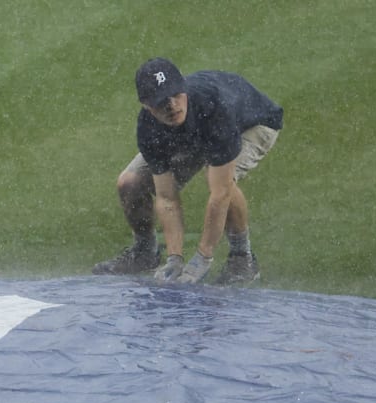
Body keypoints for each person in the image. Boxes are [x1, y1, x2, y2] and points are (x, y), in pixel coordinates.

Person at [93, 57, 283, 285]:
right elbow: (166, 197)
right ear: (146, 105)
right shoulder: (148, 128)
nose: (172, 105)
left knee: (224, 183)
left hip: (251, 125)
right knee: (130, 182)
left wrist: (203, 258)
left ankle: (242, 258)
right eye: (161, 101)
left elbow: (220, 193)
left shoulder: (214, 106)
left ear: (183, 87)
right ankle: (144, 253)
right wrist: (175, 257)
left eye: (175, 94)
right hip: (190, 134)